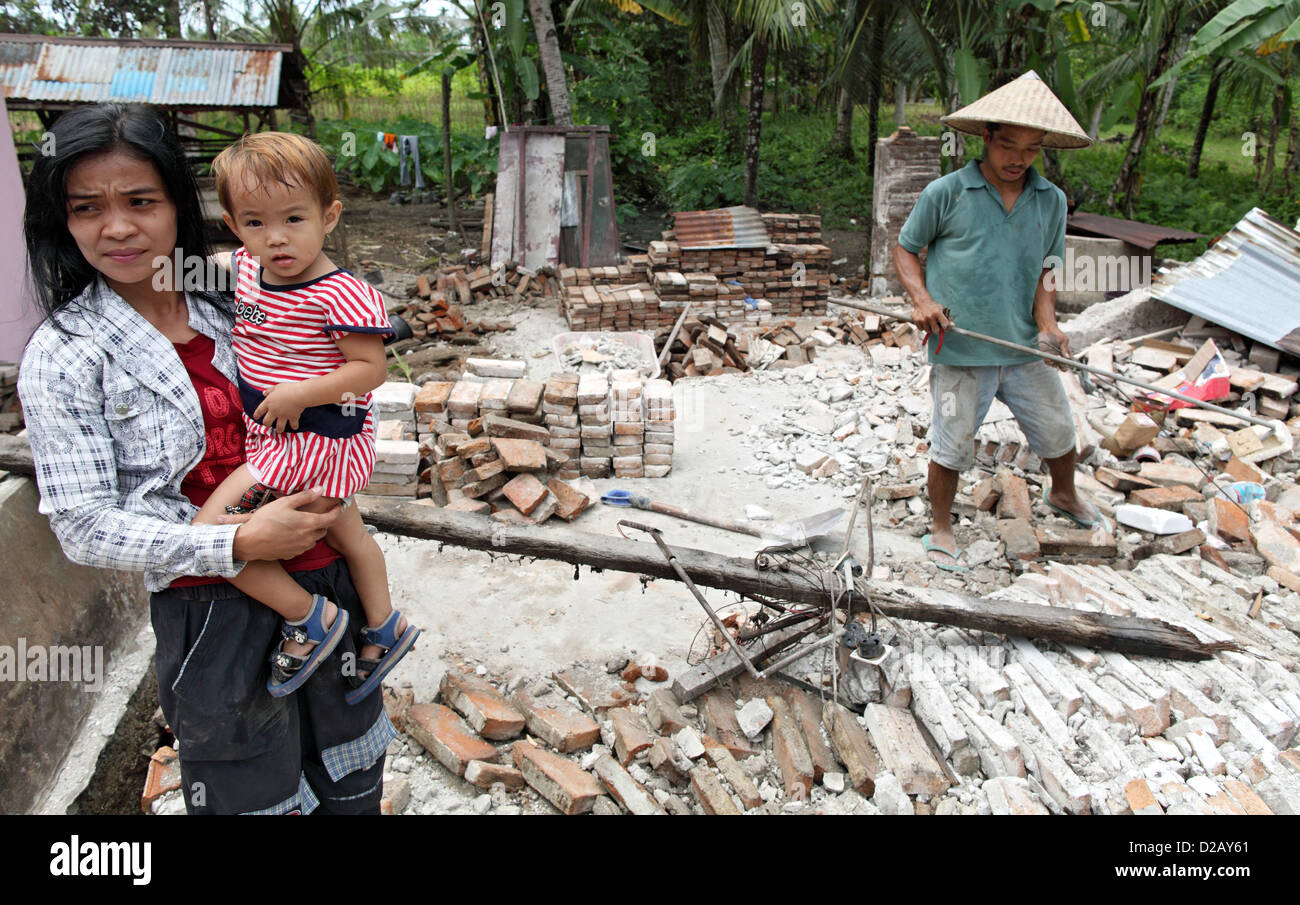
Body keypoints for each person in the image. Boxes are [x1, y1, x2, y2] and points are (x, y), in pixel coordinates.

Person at [19, 103, 393, 814]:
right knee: (253, 793)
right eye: (86, 207)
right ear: (61, 220)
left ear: (177, 206)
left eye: (140, 201)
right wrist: (236, 540)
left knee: (351, 776)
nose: (118, 227)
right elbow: (82, 524)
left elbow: (342, 363)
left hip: (328, 581)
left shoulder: (233, 294)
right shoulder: (66, 354)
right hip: (214, 611)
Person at [194, 132, 419, 703]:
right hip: (273, 434)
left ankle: (310, 618)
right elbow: (221, 295)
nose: (276, 237)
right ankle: (385, 625)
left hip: (319, 442)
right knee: (350, 533)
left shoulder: (344, 293)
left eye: (294, 218)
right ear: (233, 225)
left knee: (208, 538)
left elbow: (370, 370)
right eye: (255, 223)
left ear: (330, 215)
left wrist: (300, 392)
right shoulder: (245, 271)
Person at [892, 71, 1106, 573]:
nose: (1018, 159)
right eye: (1008, 145)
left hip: (1023, 348)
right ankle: (941, 526)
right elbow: (905, 248)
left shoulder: (1050, 200)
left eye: (1032, 149)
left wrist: (1049, 325)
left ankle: (1064, 495)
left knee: (1059, 431)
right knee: (952, 444)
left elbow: (1046, 270)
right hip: (960, 346)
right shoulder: (947, 192)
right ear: (985, 138)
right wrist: (922, 299)